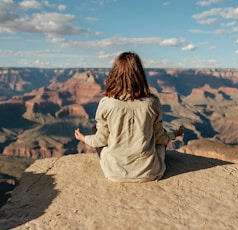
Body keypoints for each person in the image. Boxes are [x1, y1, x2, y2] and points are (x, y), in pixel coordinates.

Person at [75, 52, 184, 182]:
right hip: (149, 172)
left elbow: (101, 140)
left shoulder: (106, 103)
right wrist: (174, 134)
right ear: (140, 74)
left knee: (95, 129)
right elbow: (160, 138)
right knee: (161, 132)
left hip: (114, 172)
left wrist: (83, 138)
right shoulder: (152, 102)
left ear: (115, 74)